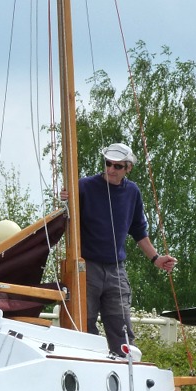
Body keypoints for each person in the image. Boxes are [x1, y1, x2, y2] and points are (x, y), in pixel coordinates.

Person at [62, 142, 177, 355]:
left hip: (116, 269)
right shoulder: (84, 186)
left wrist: (156, 258)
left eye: (118, 166)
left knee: (121, 325)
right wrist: (65, 201)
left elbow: (138, 230)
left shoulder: (132, 192)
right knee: (84, 324)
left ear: (128, 168)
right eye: (108, 164)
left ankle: (127, 368)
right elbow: (65, 218)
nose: (111, 170)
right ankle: (88, 366)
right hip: (86, 267)